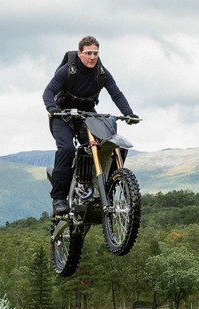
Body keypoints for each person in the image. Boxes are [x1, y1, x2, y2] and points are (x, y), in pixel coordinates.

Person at [42, 35, 138, 216]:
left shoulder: (101, 73)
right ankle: (59, 198)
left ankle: (96, 187)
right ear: (80, 54)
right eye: (88, 53)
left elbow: (116, 93)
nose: (92, 57)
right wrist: (52, 108)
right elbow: (48, 92)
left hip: (86, 114)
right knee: (67, 150)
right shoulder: (67, 71)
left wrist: (128, 113)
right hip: (62, 114)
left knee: (103, 145)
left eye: (95, 53)